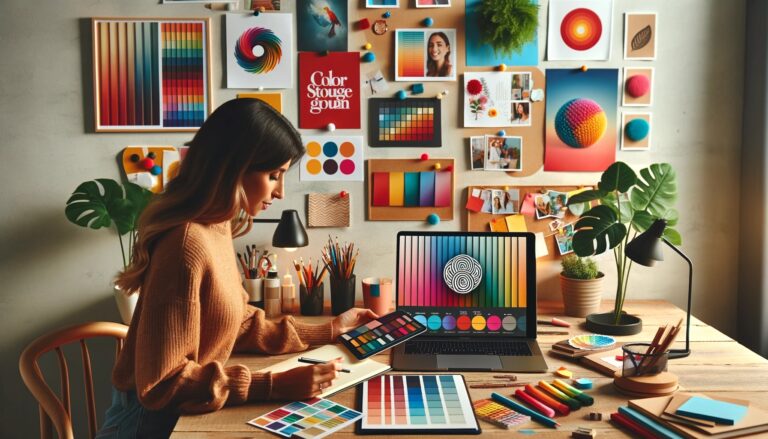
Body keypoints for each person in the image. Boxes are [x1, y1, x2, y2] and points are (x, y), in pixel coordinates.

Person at [98, 99, 378, 438]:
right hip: (150, 424)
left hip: (182, 413)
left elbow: (237, 321)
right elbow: (162, 384)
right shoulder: (186, 244)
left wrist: (330, 330)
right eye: (274, 175)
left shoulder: (215, 226)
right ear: (233, 168)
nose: (280, 191)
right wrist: (271, 385)